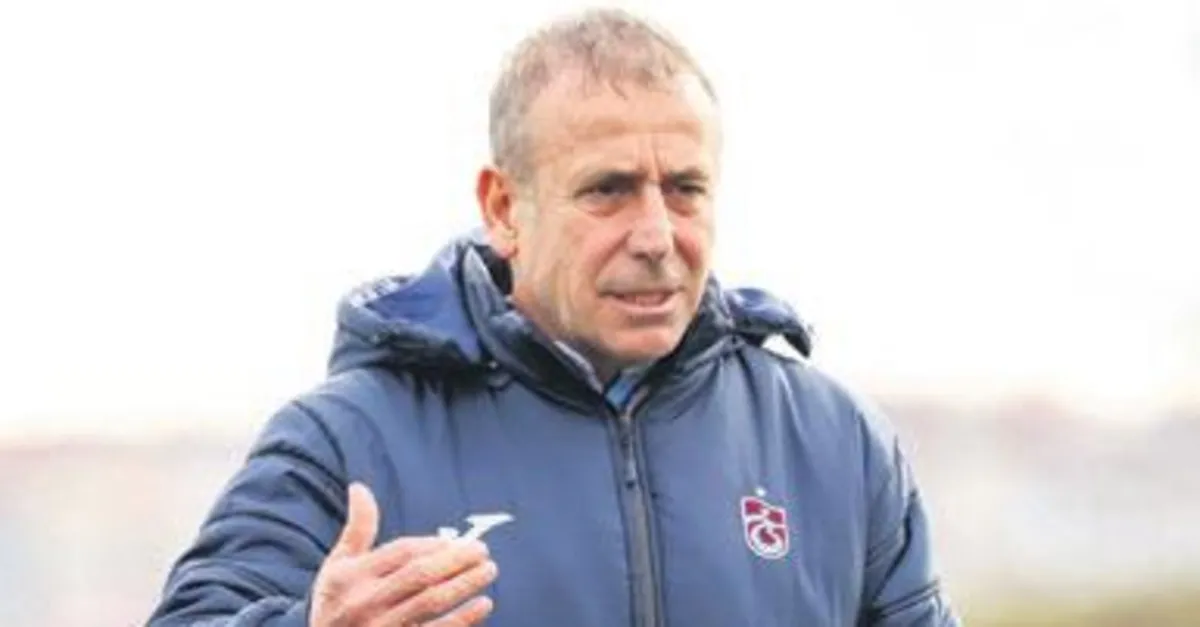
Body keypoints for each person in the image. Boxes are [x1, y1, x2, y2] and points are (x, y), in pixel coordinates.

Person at [147, 8, 960, 627]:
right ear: (505, 207)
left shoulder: (834, 443)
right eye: (608, 190)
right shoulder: (350, 441)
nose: (656, 235)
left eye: (685, 189)